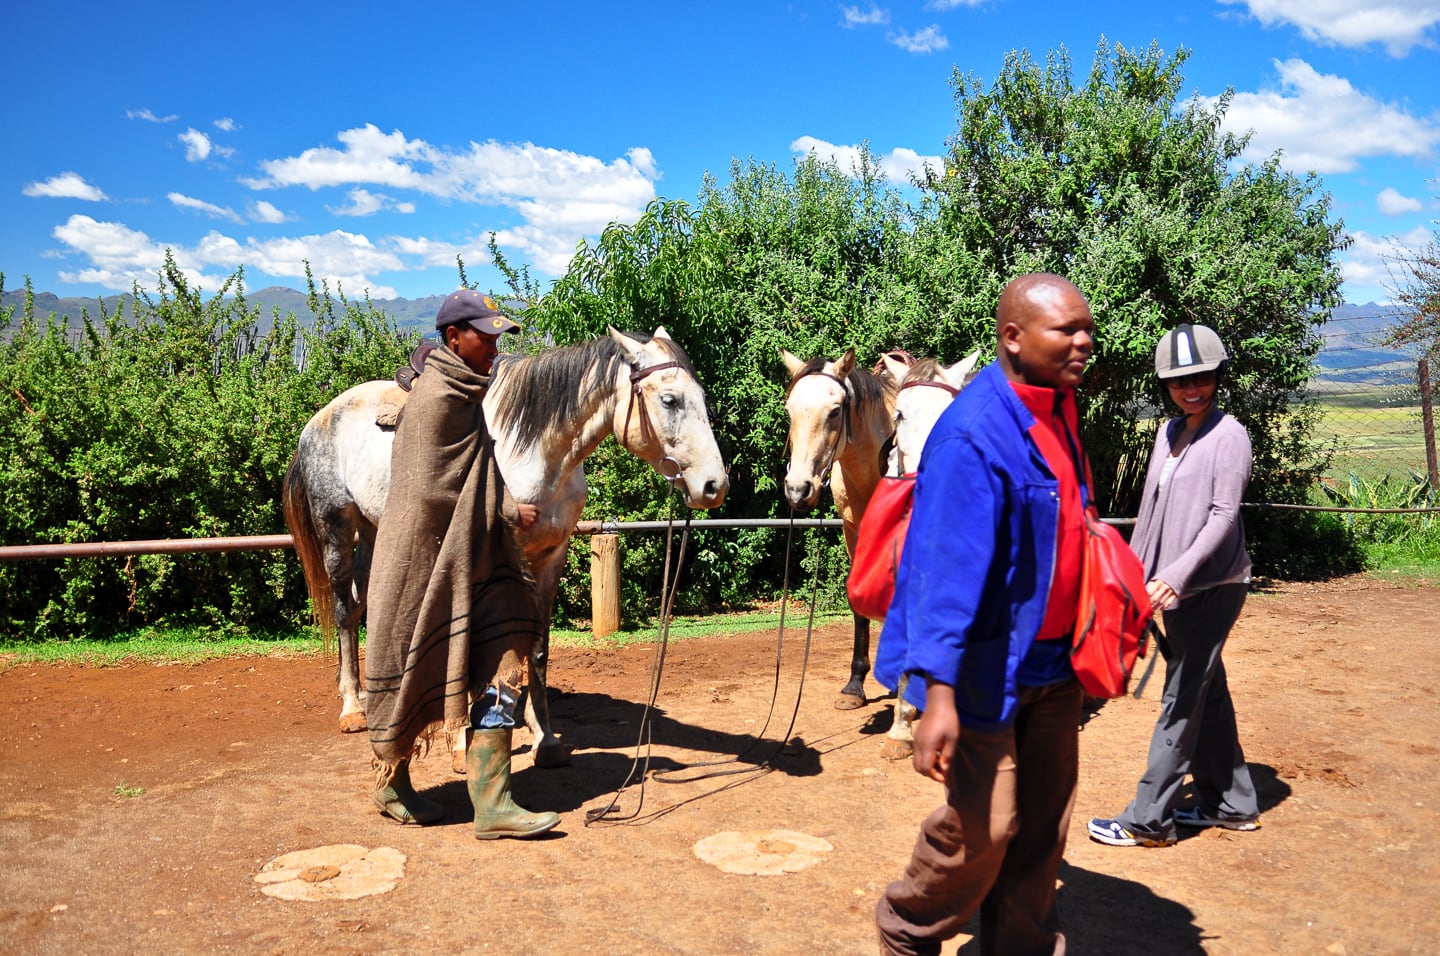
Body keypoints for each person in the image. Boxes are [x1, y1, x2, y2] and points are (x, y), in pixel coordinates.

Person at [873, 273, 1094, 956]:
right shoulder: (975, 433)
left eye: (1087, 327)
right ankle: (907, 932)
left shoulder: (1057, 408)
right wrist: (935, 694)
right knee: (985, 827)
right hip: (983, 670)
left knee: (1042, 828)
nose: (1085, 341)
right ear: (1013, 338)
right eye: (1067, 331)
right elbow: (945, 570)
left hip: (1056, 666)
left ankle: (1021, 947)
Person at [362, 288, 559, 840]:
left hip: (476, 556)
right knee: (410, 668)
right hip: (424, 563)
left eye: (499, 335)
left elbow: (476, 471)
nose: (495, 345)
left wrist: (501, 508)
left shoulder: (467, 392)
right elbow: (427, 490)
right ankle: (391, 781)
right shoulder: (435, 400)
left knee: (507, 649)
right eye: (486, 334)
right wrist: (496, 506)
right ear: (455, 337)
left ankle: (493, 803)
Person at [1088, 324, 1259, 847]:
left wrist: (1175, 575)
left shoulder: (1230, 434)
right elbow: (1152, 514)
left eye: (1201, 377)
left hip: (1211, 587)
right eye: (1179, 381)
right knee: (1207, 692)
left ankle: (1148, 819)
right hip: (1167, 588)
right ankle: (1232, 804)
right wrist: (1133, 583)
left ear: (1217, 376)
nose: (1192, 389)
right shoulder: (1169, 432)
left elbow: (1223, 515)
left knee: (1181, 698)